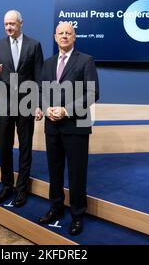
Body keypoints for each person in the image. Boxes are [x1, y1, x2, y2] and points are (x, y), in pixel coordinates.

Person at [37, 22, 99, 235]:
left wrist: (65, 110)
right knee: (54, 171)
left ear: (74, 37)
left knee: (76, 173)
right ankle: (55, 208)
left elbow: (92, 94)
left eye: (68, 33)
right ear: (55, 37)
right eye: (60, 33)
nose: (64, 36)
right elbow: (41, 92)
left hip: (76, 125)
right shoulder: (47, 63)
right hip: (52, 126)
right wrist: (45, 109)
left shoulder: (86, 60)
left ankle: (77, 215)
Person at [0, 10, 44, 207]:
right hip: (3, 105)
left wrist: (38, 105)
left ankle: (22, 189)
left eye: (12, 23)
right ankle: (6, 186)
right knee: (4, 147)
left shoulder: (34, 45)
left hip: (26, 104)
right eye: (5, 24)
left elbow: (39, 77)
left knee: (25, 148)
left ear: (21, 23)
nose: (9, 27)